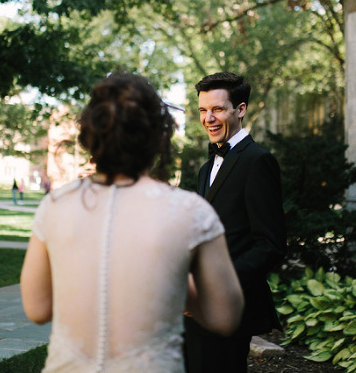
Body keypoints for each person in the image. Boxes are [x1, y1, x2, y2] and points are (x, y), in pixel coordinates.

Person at [20, 73, 243, 373]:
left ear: (91, 132)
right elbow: (224, 316)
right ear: (158, 136)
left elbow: (37, 309)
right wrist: (176, 278)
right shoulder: (190, 212)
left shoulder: (56, 205)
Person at [184, 71, 286, 373]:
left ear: (240, 109)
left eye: (217, 109)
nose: (208, 118)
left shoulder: (258, 161)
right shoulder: (206, 168)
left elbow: (270, 245)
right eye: (203, 110)